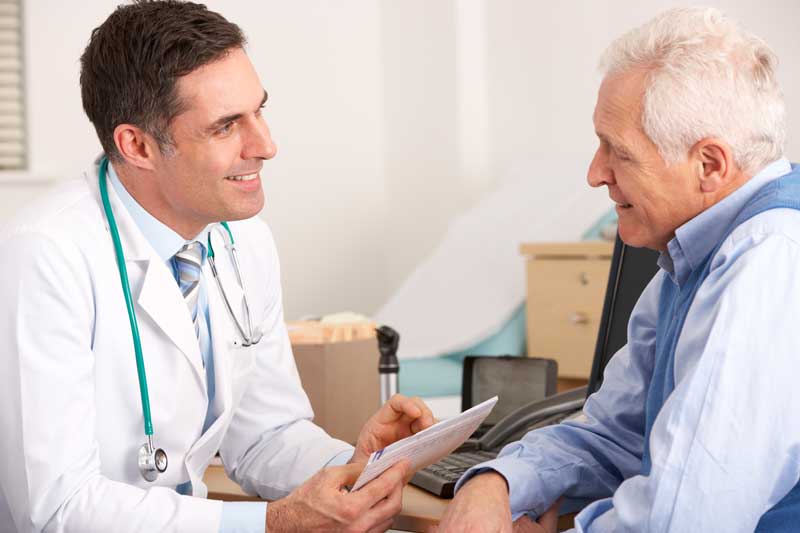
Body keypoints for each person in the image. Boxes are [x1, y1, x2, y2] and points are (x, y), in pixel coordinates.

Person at [0, 2, 434, 532]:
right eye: (227, 126)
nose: (266, 146)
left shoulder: (242, 239)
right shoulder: (44, 254)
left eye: (259, 111)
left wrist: (351, 470)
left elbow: (265, 435)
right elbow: (57, 510)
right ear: (136, 145)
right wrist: (272, 523)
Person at [438, 7, 800, 532]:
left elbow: (685, 520)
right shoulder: (687, 258)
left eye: (619, 152)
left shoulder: (768, 261)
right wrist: (498, 481)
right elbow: (614, 435)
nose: (594, 173)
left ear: (710, 165)